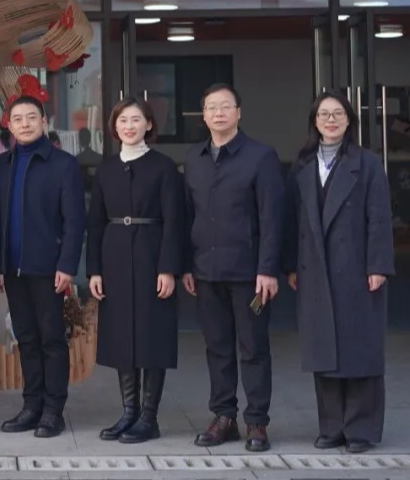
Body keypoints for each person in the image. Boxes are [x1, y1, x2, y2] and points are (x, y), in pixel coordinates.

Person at [284, 91, 394, 454]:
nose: (330, 120)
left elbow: (379, 218)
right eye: (324, 115)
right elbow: (292, 220)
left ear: (349, 121)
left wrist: (378, 265)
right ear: (314, 122)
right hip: (314, 268)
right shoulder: (302, 165)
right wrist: (291, 265)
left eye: (338, 114)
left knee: (359, 349)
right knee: (324, 350)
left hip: (358, 270)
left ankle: (360, 429)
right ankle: (331, 427)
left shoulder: (368, 163)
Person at [182, 83, 284, 452]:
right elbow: (187, 216)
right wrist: (186, 266)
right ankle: (223, 417)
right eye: (212, 107)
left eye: (226, 106)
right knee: (217, 347)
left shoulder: (261, 157)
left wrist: (268, 269)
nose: (219, 113)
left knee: (253, 347)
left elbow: (272, 218)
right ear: (204, 115)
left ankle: (257, 421)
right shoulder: (194, 159)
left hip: (249, 274)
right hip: (206, 271)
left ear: (239, 112)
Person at [87, 98, 184, 444]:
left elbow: (175, 221)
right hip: (114, 256)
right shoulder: (106, 169)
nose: (129, 126)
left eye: (136, 120)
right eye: (122, 120)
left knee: (151, 334)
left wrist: (168, 268)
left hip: (151, 253)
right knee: (121, 335)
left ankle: (149, 417)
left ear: (148, 125)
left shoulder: (164, 167)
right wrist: (94, 270)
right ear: (114, 127)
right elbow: (95, 223)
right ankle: (129, 412)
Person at [0, 95, 85, 439]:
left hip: (48, 268)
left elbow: (74, 221)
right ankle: (31, 406)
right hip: (12, 269)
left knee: (51, 339)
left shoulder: (63, 164)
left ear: (44, 122)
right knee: (26, 339)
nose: (25, 124)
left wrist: (67, 265)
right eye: (18, 119)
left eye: (32, 117)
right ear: (9, 125)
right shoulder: (1, 166)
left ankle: (52, 410)